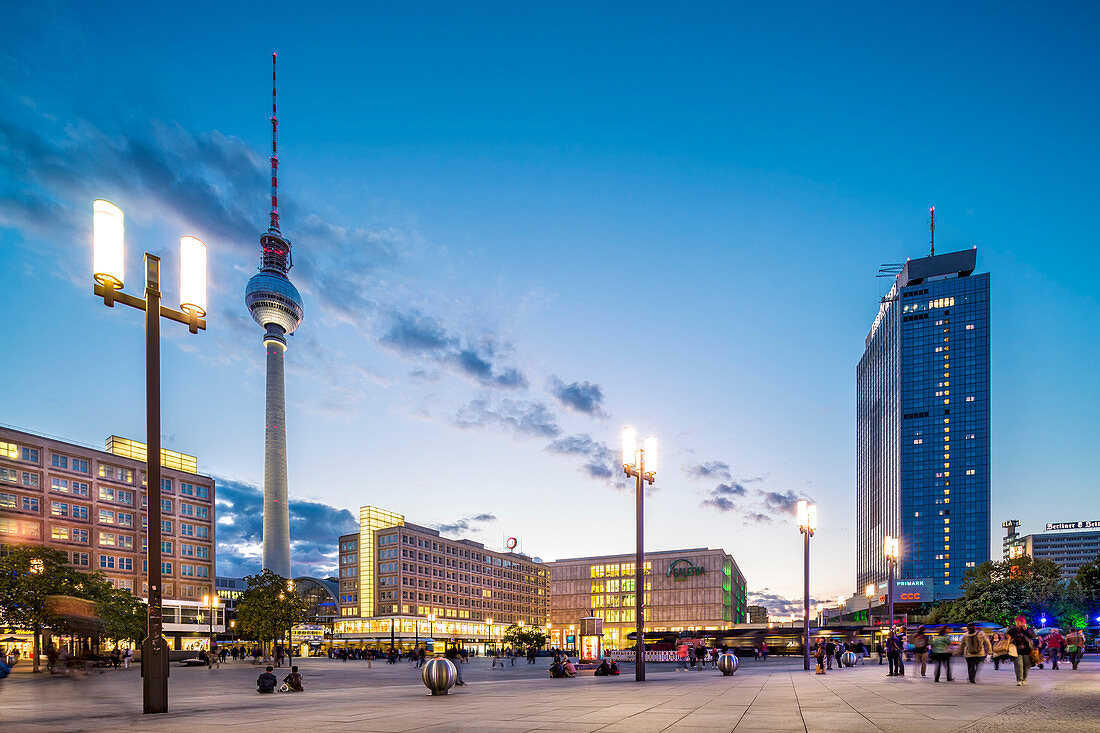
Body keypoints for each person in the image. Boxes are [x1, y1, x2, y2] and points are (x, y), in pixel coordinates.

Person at [1006, 616, 1037, 686]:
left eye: (1020, 622)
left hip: (1027, 649)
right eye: (1017, 622)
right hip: (1016, 650)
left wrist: (1026, 630)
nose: (1019, 623)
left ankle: (1024, 678)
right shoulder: (1012, 630)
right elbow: (1006, 636)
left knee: (1026, 665)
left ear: (1024, 622)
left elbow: (1032, 636)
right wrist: (1009, 638)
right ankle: (1019, 680)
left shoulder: (1028, 629)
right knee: (1019, 664)